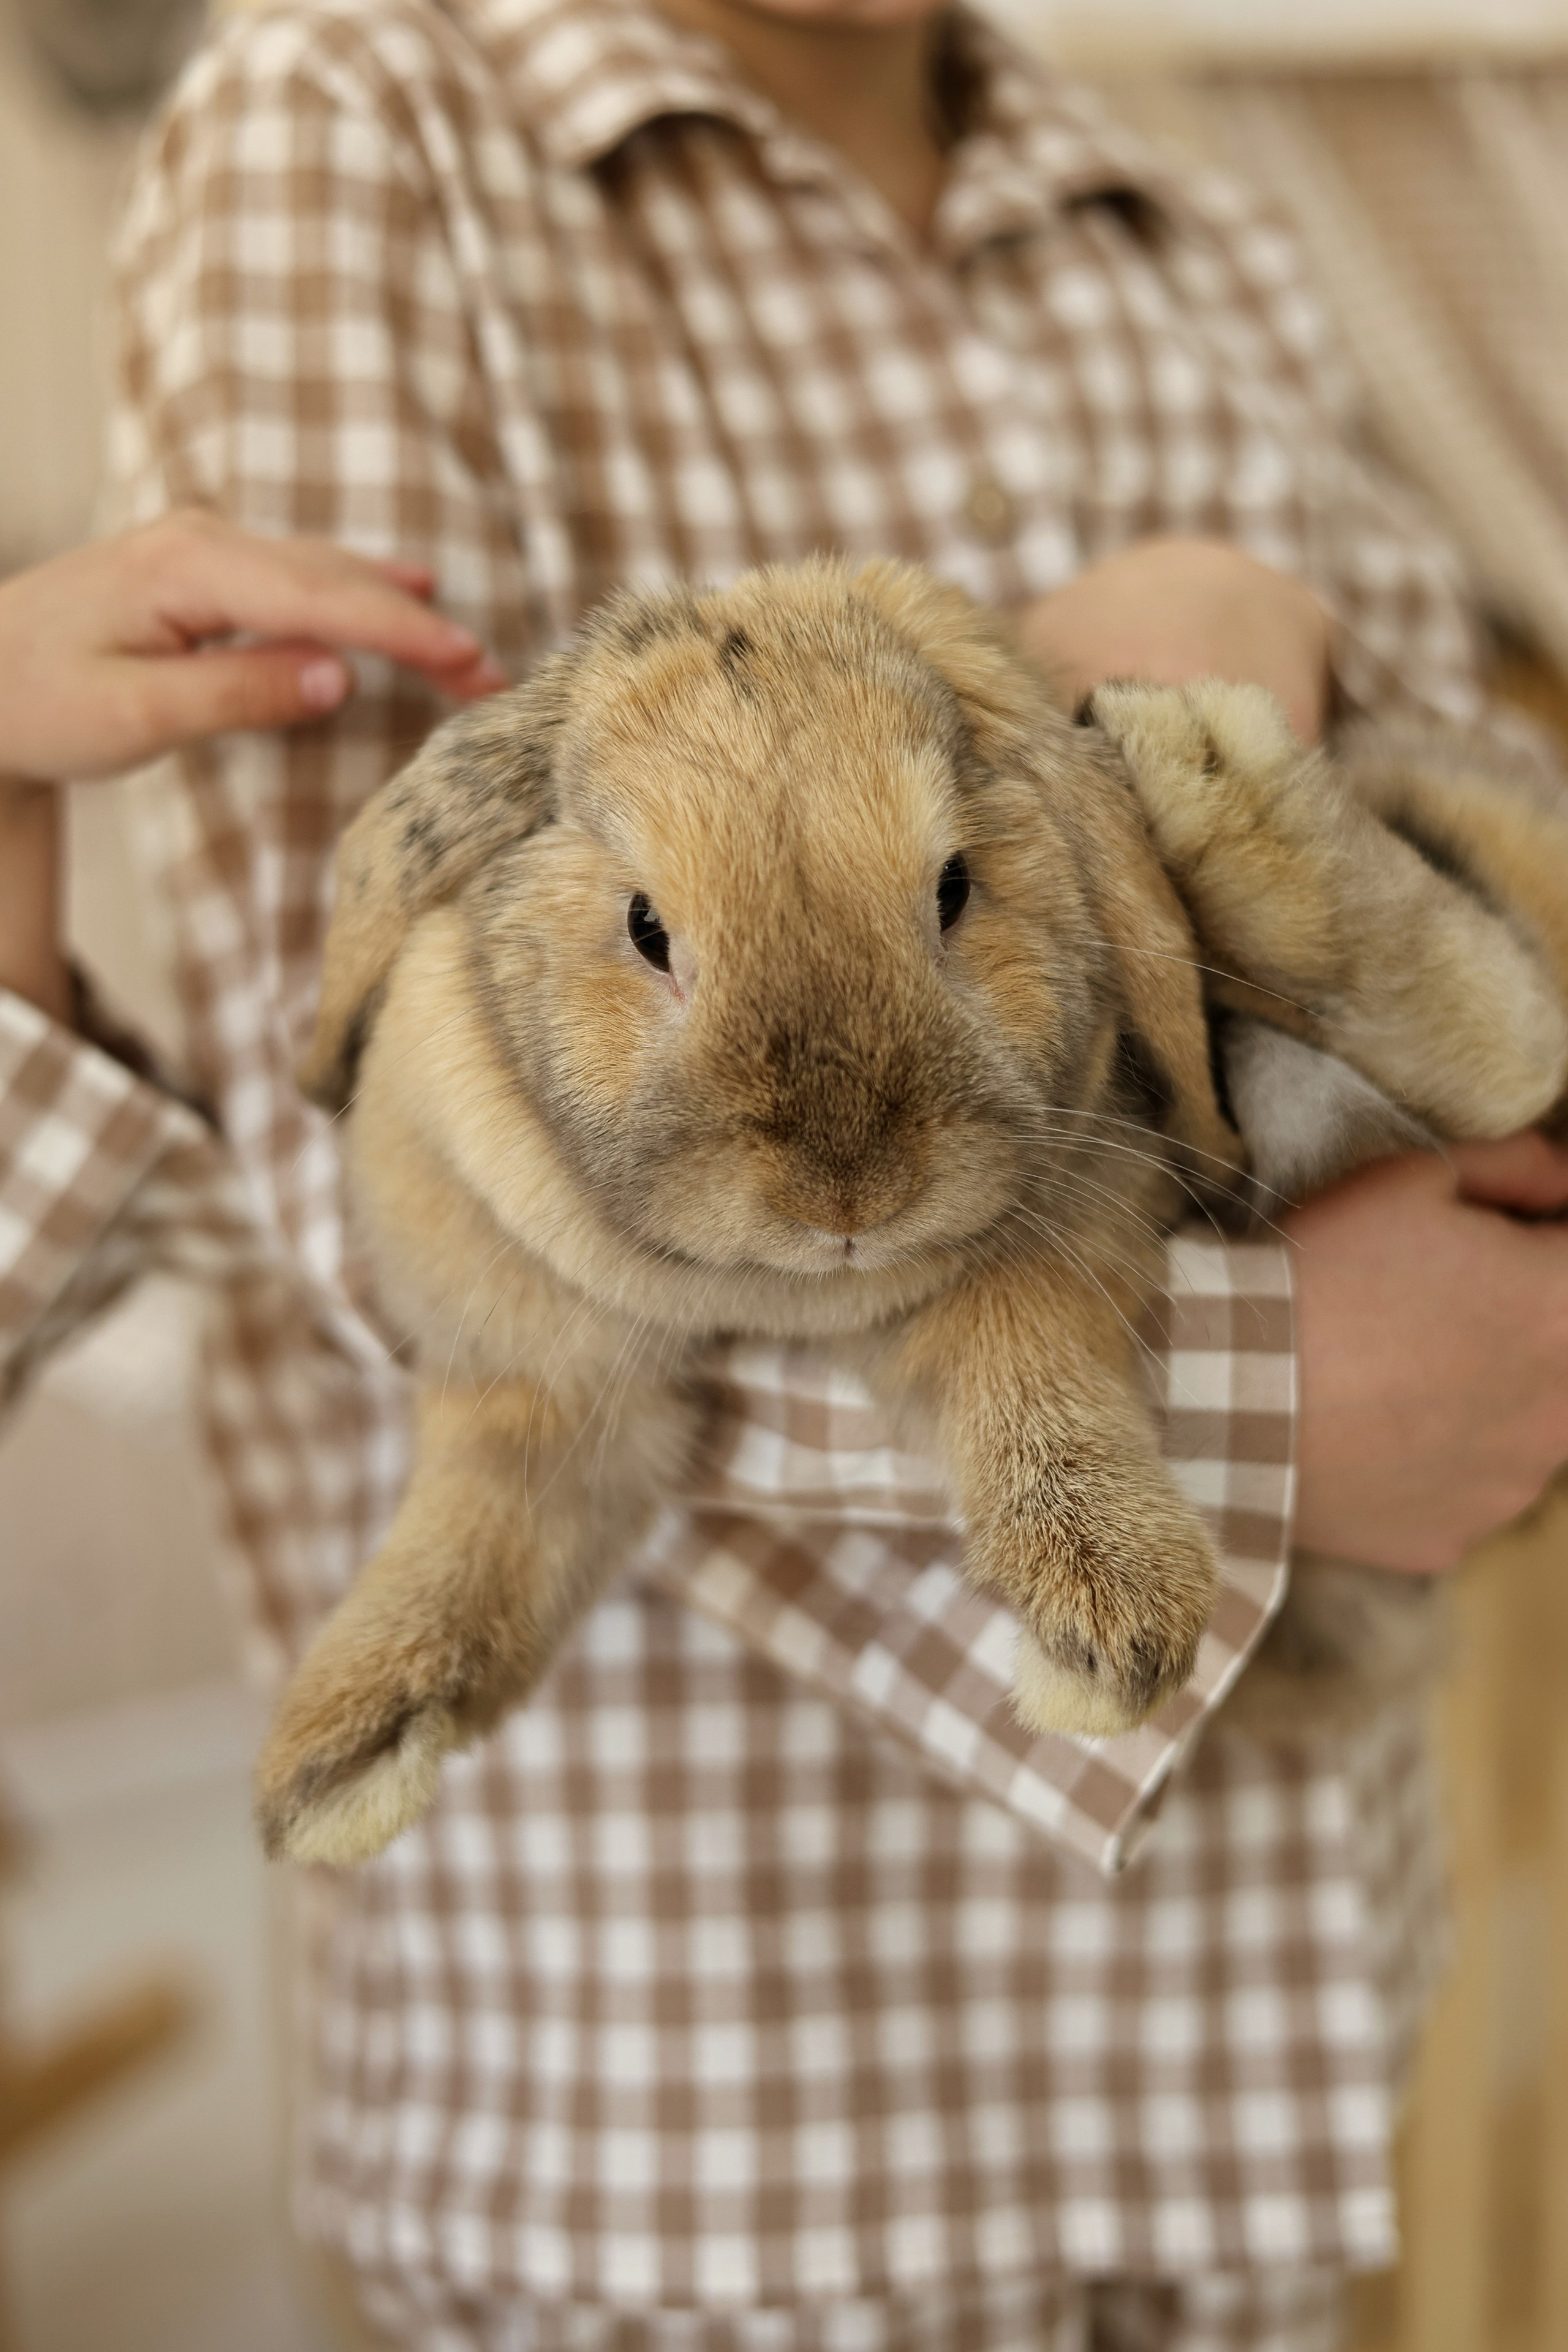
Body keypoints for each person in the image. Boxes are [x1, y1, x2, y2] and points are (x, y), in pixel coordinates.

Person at [6, 1, 1568, 2345]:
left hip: (1262, 2009)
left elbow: (1448, 931)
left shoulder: (1195, 228)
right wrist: (1252, 1415)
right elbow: (383, 1183)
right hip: (719, 2100)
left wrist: (1281, 685)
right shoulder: (356, 122)